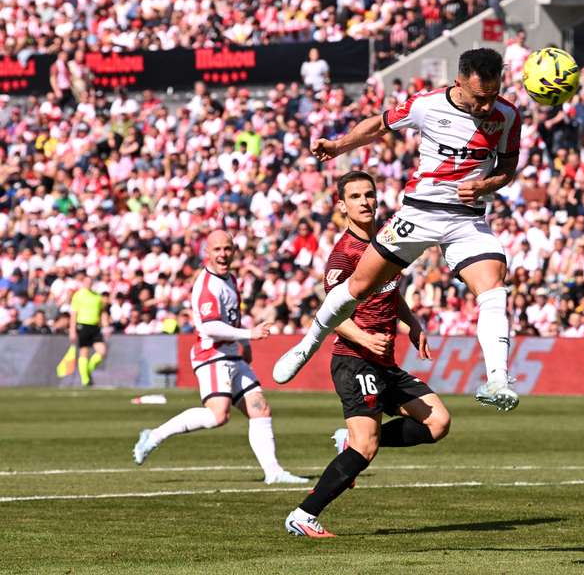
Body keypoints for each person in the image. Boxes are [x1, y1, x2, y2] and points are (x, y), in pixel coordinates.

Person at [274, 49, 522, 411]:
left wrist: (485, 187)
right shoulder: (427, 105)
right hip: (419, 213)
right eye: (479, 98)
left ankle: (498, 378)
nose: (486, 106)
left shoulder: (508, 115)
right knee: (358, 286)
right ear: (459, 84)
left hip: (466, 219)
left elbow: (508, 168)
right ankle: (307, 344)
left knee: (494, 289)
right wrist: (339, 145)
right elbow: (377, 126)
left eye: (492, 96)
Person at [284, 171, 450, 538]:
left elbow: (389, 291)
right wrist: (364, 338)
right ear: (342, 206)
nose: (364, 202)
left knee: (437, 422)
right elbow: (330, 314)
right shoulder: (344, 255)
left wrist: (412, 323)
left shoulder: (384, 246)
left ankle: (351, 441)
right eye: (355, 196)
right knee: (367, 446)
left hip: (384, 361)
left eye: (369, 195)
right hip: (354, 357)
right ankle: (303, 514)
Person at [132, 230, 308, 486]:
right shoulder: (207, 285)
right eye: (217, 250)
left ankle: (273, 472)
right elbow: (211, 326)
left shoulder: (229, 279)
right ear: (207, 253)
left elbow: (231, 317)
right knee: (218, 416)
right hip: (212, 354)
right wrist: (249, 334)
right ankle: (154, 436)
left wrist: (244, 343)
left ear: (234, 250)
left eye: (227, 249)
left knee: (260, 408)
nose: (223, 254)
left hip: (231, 353)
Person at [68, 271, 107, 386]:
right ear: (83, 283)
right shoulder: (78, 295)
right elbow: (74, 313)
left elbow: (102, 312)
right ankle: (85, 379)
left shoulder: (97, 296)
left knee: (102, 351)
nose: (88, 284)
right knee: (83, 351)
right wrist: (72, 330)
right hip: (83, 325)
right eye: (86, 282)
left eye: (90, 282)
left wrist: (105, 326)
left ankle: (88, 370)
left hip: (95, 326)